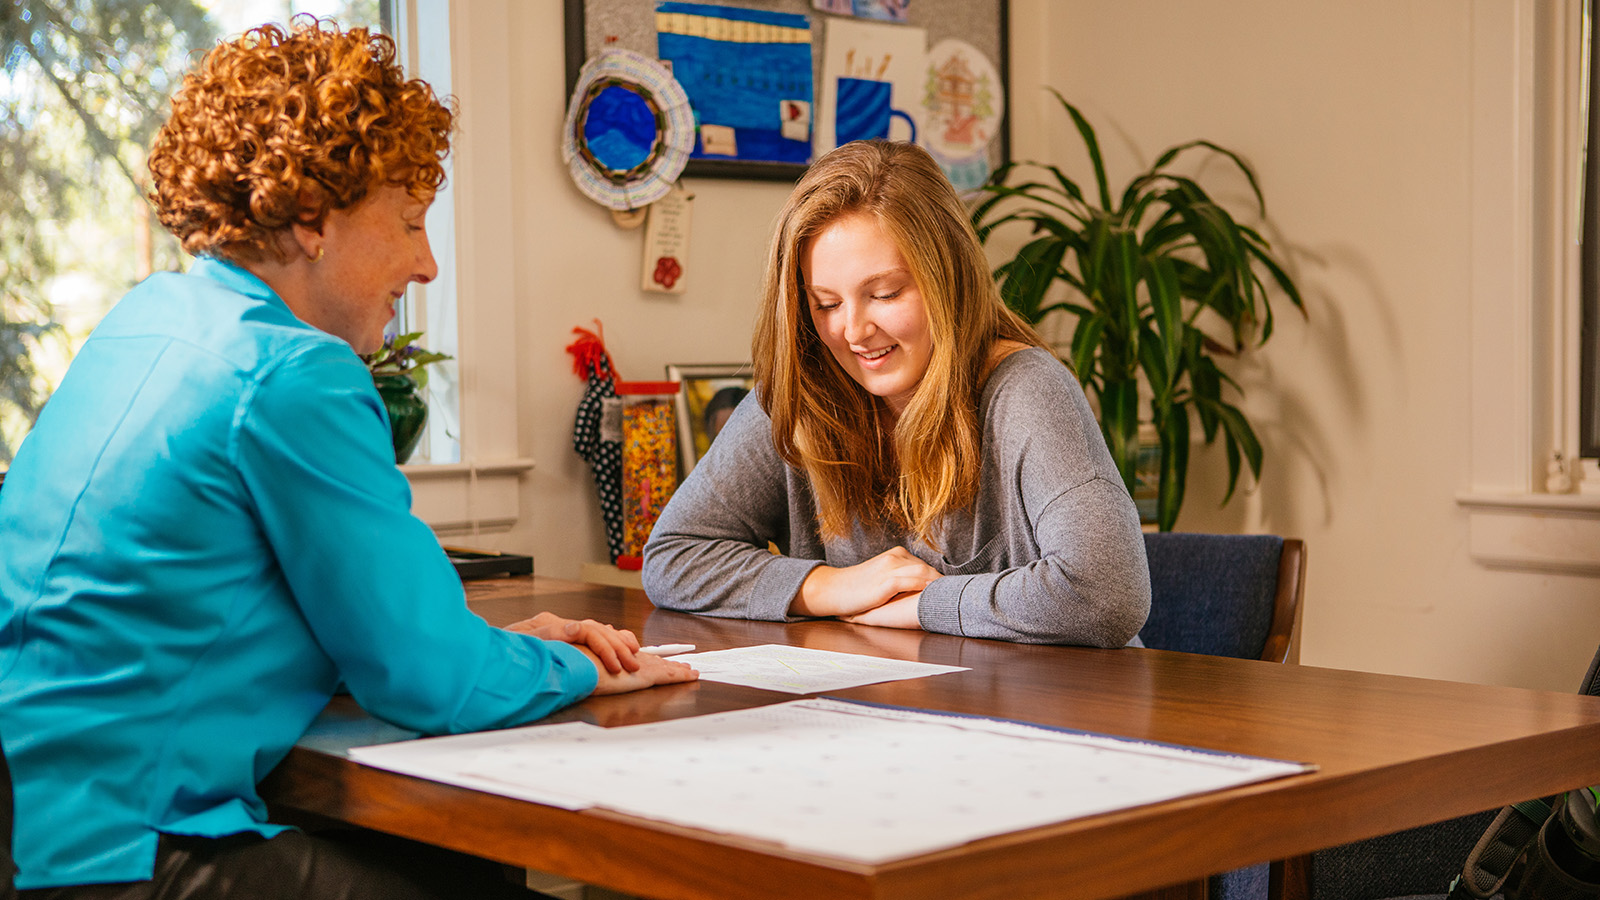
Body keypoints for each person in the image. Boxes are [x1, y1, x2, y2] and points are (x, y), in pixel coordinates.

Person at [0, 19, 694, 900]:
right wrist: (581, 667)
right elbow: (428, 681)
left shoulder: (145, 324)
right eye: (408, 224)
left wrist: (482, 647)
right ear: (310, 219)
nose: (428, 262)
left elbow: (225, 612)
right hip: (124, 850)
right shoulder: (295, 372)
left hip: (34, 819)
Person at [642, 140, 1150, 646]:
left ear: (947, 278)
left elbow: (1106, 594)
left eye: (884, 294)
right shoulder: (804, 392)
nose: (854, 331)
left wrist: (927, 602)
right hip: (885, 710)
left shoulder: (1027, 390)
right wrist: (833, 588)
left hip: (1055, 713)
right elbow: (674, 555)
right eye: (826, 304)